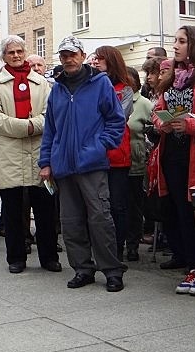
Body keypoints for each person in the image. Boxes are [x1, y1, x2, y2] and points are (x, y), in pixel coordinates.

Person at [38, 36, 126, 293]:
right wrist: (46, 161)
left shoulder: (100, 84)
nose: (68, 59)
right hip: (63, 166)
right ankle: (82, 269)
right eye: (64, 55)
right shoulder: (57, 89)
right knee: (71, 220)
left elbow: (116, 120)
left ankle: (111, 270)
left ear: (82, 55)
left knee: (100, 218)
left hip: (91, 164)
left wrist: (99, 146)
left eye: (72, 54)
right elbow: (50, 130)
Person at [151, 26, 195, 295]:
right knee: (182, 212)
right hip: (173, 154)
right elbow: (158, 110)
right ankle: (193, 267)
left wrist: (191, 127)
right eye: (175, 41)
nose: (175, 46)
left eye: (181, 41)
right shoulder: (171, 79)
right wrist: (162, 123)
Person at [0, 36, 60, 274]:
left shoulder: (41, 83)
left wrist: (33, 125)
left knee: (46, 209)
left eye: (19, 51)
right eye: (10, 53)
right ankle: (16, 257)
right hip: (8, 153)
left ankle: (49, 257)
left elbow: (51, 113)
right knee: (13, 210)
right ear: (3, 56)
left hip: (39, 151)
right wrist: (24, 126)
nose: (16, 56)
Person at [93, 45, 134, 261]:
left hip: (117, 155)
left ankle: (117, 248)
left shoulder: (124, 89)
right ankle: (101, 248)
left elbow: (117, 117)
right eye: (95, 59)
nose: (96, 62)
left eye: (101, 59)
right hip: (95, 156)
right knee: (98, 206)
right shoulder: (89, 85)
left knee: (117, 205)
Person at [124, 66, 153, 262]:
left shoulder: (143, 103)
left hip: (135, 159)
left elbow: (152, 129)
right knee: (117, 204)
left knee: (134, 205)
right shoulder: (113, 98)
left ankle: (133, 244)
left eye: (129, 79)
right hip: (114, 159)